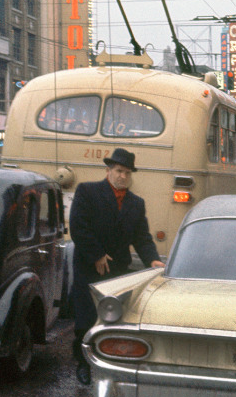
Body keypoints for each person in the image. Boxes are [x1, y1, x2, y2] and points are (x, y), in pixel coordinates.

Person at [69, 148, 165, 384]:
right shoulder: (87, 192)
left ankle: (110, 364)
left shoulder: (136, 203)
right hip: (89, 269)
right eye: (119, 171)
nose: (123, 176)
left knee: (113, 321)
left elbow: (142, 237)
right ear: (108, 171)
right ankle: (83, 364)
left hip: (118, 272)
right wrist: (97, 255)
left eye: (127, 172)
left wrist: (152, 259)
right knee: (86, 320)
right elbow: (78, 227)